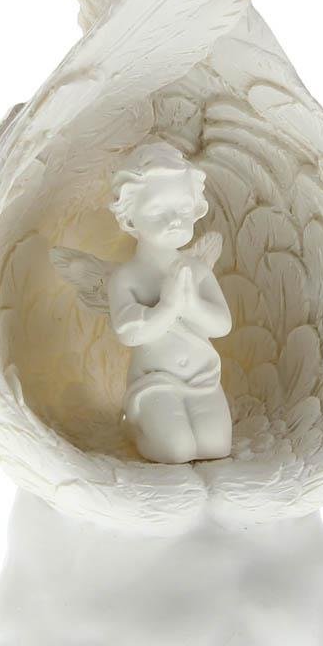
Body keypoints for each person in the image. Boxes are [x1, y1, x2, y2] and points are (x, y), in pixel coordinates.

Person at [106, 143, 233, 463]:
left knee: (216, 445)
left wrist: (192, 306)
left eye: (183, 209)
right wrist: (168, 307)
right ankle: (136, 427)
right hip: (155, 384)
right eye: (157, 211)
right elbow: (129, 333)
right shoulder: (127, 278)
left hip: (203, 380)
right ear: (129, 217)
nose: (175, 220)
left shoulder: (197, 271)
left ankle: (174, 425)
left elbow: (222, 325)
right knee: (177, 449)